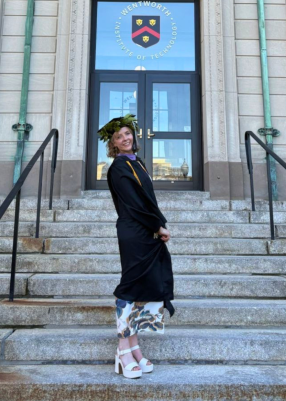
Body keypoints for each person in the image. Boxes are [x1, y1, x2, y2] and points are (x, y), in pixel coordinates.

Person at [100, 113, 175, 379]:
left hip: (147, 231)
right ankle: (122, 350)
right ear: (113, 144)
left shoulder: (137, 163)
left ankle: (134, 346)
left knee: (148, 288)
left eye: (127, 133)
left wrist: (158, 224)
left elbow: (149, 200)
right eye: (118, 137)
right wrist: (158, 226)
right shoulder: (118, 168)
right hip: (134, 232)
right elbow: (134, 204)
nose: (124, 138)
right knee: (130, 288)